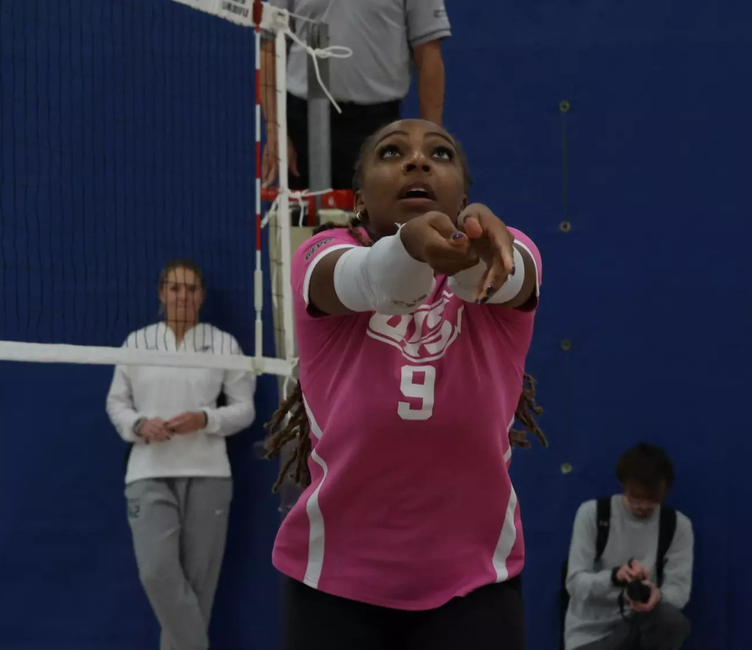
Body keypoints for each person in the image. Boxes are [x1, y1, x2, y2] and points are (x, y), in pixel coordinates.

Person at [262, 118, 546, 650]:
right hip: (335, 582)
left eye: (439, 155)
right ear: (361, 197)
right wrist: (410, 247)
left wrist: (486, 250)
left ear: (464, 193)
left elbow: (511, 276)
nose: (417, 161)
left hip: (475, 582)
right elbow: (372, 279)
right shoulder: (320, 255)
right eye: (392, 152)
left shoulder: (510, 249)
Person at [105, 259, 256, 650]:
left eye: (191, 289)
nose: (183, 296)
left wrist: (204, 419)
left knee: (199, 584)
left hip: (209, 475)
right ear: (161, 293)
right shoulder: (136, 343)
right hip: (148, 472)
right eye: (175, 288)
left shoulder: (223, 343)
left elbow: (244, 409)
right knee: (157, 574)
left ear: (202, 296)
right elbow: (116, 404)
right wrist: (139, 425)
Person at [261, 0, 451, 190]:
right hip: (302, 126)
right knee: (301, 217)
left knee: (372, 217)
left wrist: (431, 139)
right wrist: (275, 129)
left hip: (374, 127)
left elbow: (428, 56)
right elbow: (270, 46)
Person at [564, 443, 694, 650]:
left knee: (672, 621)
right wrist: (614, 577)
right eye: (636, 496)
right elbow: (574, 583)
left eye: (652, 498)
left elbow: (679, 590)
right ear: (623, 486)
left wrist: (656, 595)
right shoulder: (593, 514)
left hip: (642, 626)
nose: (643, 505)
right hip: (590, 636)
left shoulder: (678, 526)